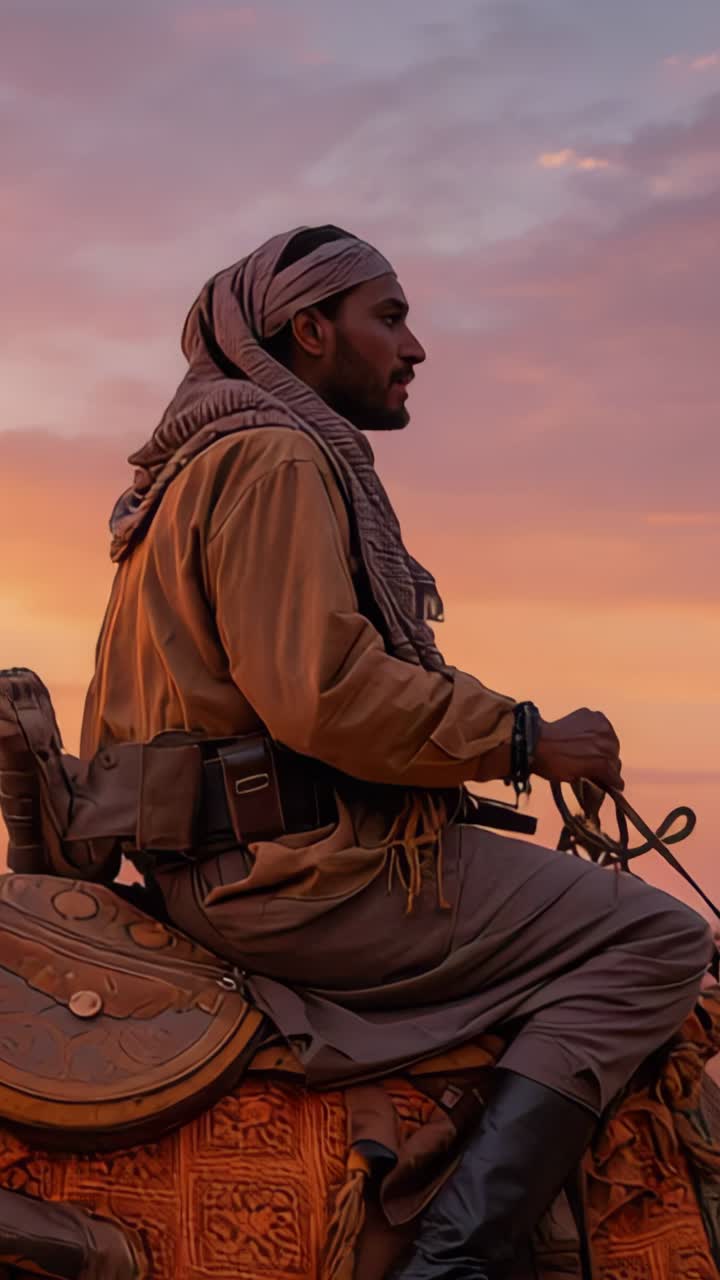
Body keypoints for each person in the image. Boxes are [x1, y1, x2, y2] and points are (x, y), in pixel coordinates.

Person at [81, 225, 712, 1278]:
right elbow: (323, 694)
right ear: (311, 329)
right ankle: (452, 1264)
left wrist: (517, 726)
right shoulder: (278, 458)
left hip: (222, 861)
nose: (414, 346)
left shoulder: (190, 471)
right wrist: (526, 738)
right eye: (391, 317)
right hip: (305, 874)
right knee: (657, 940)